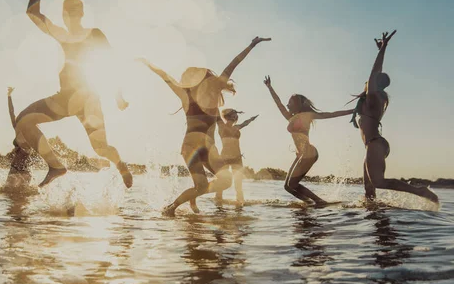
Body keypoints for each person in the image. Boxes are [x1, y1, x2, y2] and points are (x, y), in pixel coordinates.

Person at [8, 0, 132, 188]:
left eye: (76, 11)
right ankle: (56, 166)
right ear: (64, 14)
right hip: (65, 99)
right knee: (24, 121)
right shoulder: (60, 34)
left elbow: (112, 64)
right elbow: (32, 12)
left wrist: (118, 96)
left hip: (88, 100)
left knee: (101, 148)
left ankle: (120, 164)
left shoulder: (95, 34)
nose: (72, 15)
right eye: (68, 11)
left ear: (82, 14)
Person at [140, 36, 271, 216]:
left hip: (209, 148)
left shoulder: (214, 91)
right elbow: (165, 76)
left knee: (225, 181)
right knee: (202, 185)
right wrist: (147, 63)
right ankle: (171, 208)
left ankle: (194, 194)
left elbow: (233, 64)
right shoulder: (185, 95)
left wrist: (251, 45)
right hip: (190, 147)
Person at [350, 30, 438, 203]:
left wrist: (382, 50)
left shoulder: (375, 97)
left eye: (369, 83)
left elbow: (375, 72)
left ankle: (419, 191)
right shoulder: (373, 101)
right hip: (373, 145)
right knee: (369, 192)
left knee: (378, 182)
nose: (366, 84)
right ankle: (375, 223)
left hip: (375, 144)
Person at [263, 75, 353, 206]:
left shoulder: (307, 115)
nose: (288, 105)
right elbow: (279, 104)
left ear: (297, 104)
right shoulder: (290, 118)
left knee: (292, 184)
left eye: (290, 103)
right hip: (301, 154)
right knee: (288, 187)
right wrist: (270, 87)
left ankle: (320, 202)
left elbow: (331, 114)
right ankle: (308, 202)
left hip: (309, 153)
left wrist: (354, 110)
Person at [214, 109, 258, 205]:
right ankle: (218, 205)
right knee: (221, 181)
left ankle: (240, 204)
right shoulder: (221, 126)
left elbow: (245, 123)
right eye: (232, 115)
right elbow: (216, 113)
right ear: (227, 116)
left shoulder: (237, 127)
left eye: (235, 116)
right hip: (224, 157)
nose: (234, 117)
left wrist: (252, 119)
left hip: (237, 157)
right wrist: (215, 98)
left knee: (238, 183)